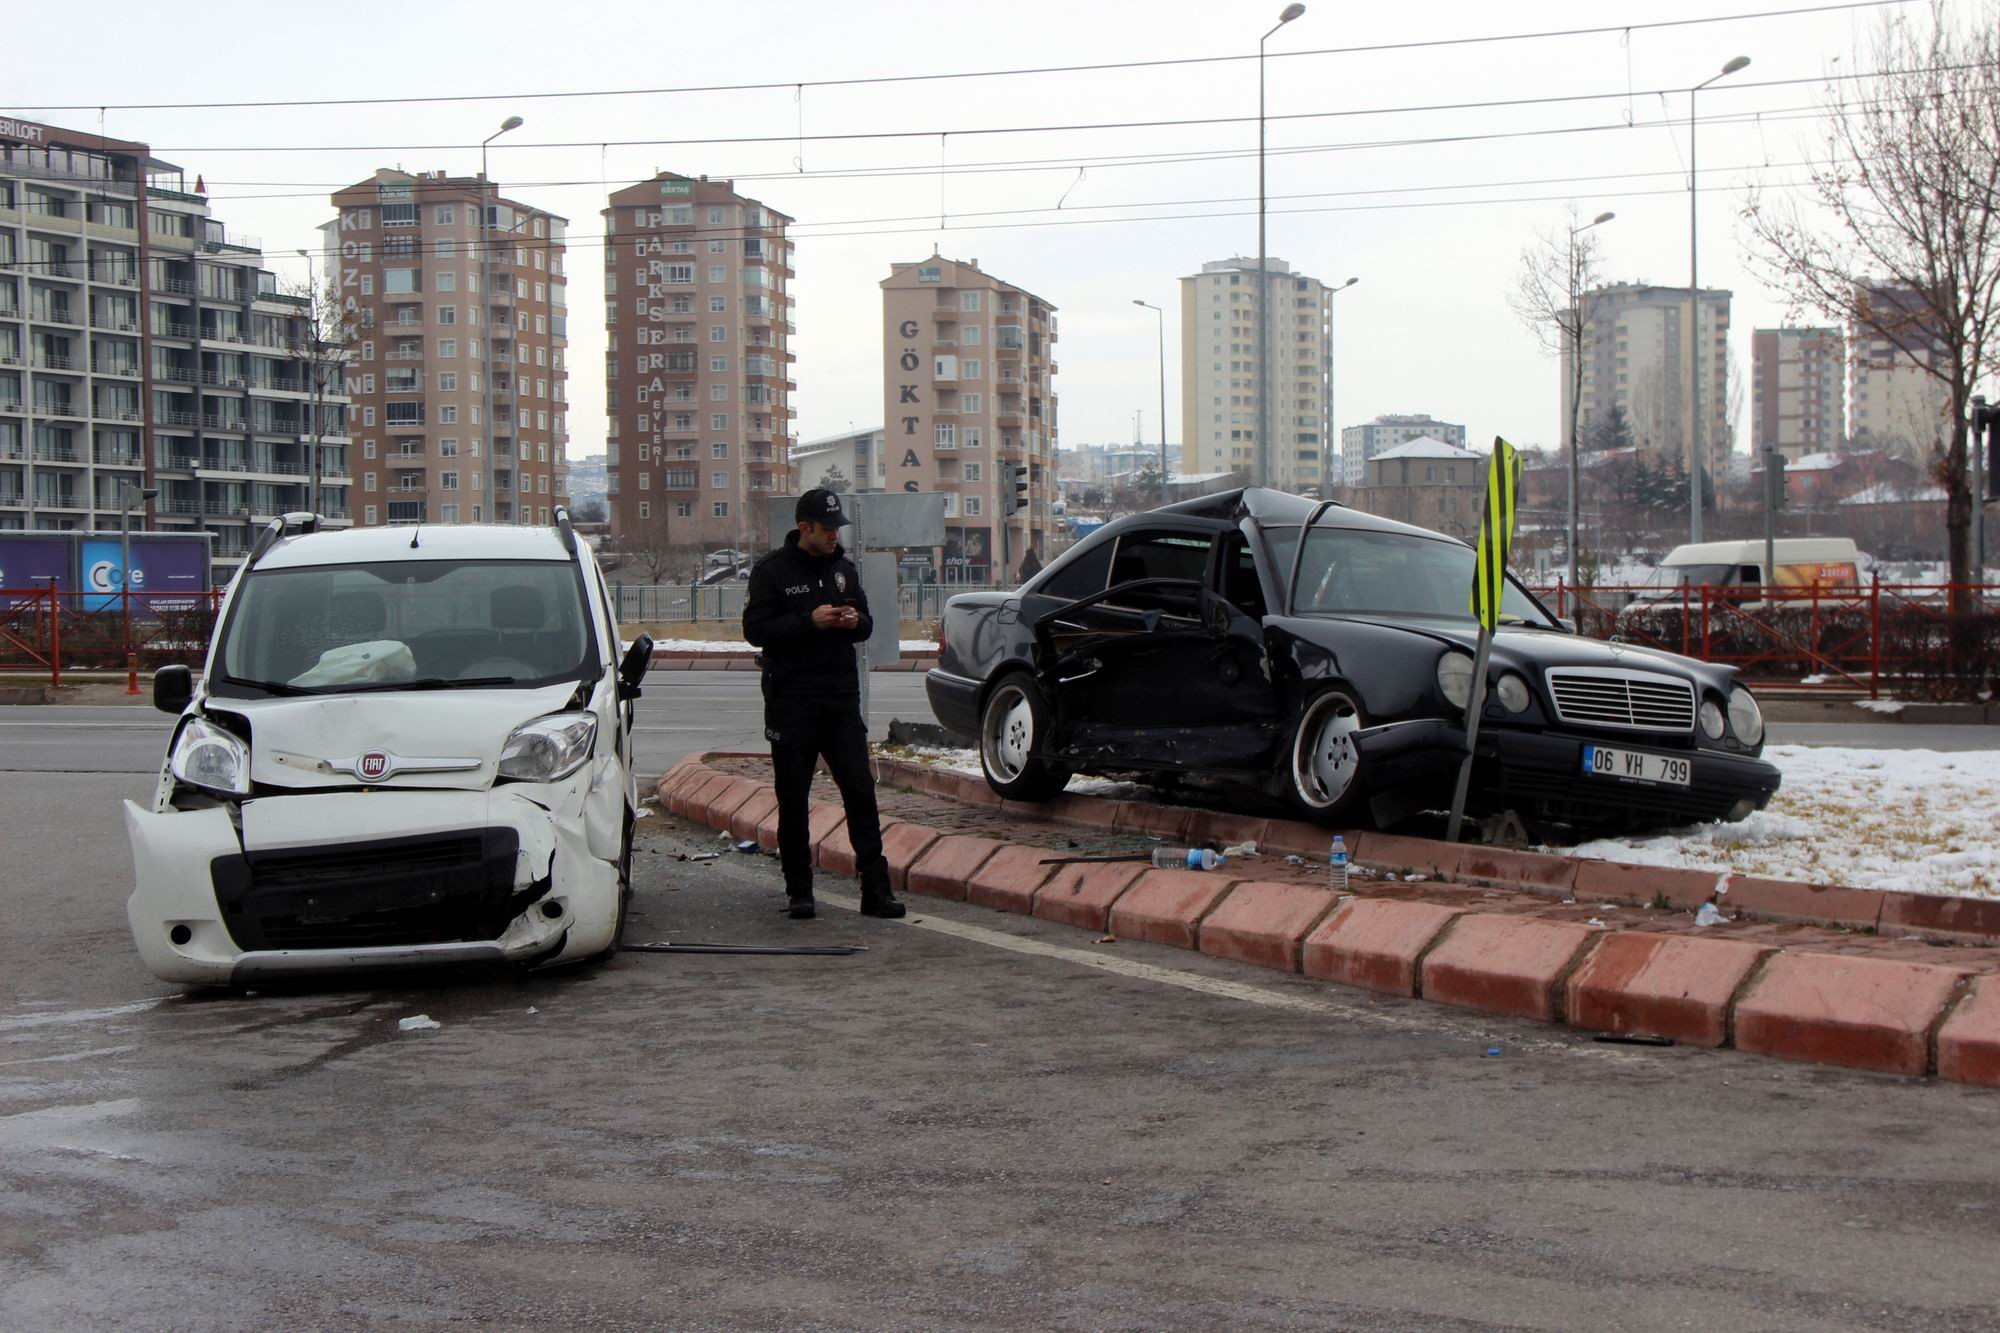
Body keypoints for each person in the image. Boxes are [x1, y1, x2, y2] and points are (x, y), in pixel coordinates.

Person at [742, 489, 906, 921]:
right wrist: (807, 622)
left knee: (860, 793)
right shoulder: (772, 572)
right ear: (805, 528)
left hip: (839, 699)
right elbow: (756, 629)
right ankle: (800, 891)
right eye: (828, 529)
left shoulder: (844, 571)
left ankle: (876, 891)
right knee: (793, 798)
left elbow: (866, 624)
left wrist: (855, 622)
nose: (835, 536)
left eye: (838, 529)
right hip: (792, 700)